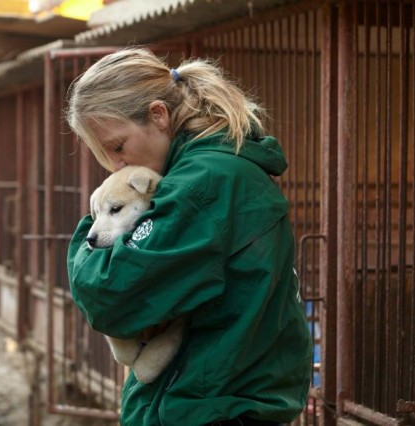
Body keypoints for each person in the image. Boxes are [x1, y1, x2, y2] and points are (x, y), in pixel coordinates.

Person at [66, 47, 312, 426]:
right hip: (211, 402)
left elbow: (107, 294)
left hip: (210, 408)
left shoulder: (202, 185)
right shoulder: (213, 169)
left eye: (118, 146)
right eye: (105, 153)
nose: (116, 165)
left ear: (158, 115)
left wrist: (91, 223)